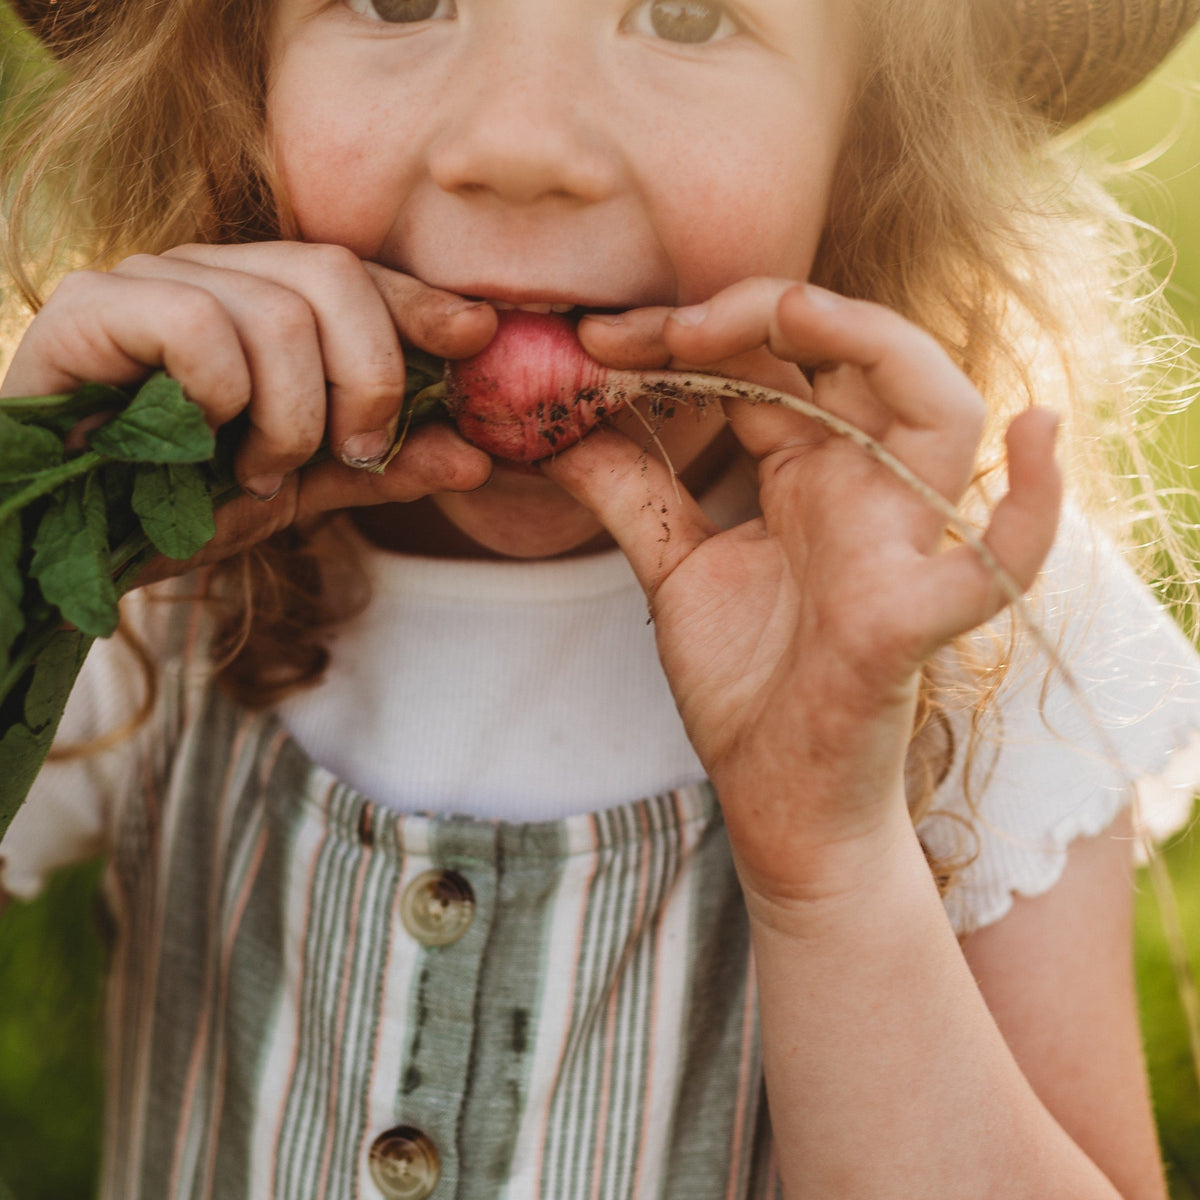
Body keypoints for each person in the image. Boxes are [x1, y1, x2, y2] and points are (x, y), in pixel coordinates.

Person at [1, 0, 1200, 1196]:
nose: (520, 148)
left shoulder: (962, 620)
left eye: (683, 16)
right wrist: (32, 549)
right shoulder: (160, 567)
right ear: (238, 70)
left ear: (871, 128)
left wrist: (832, 863)